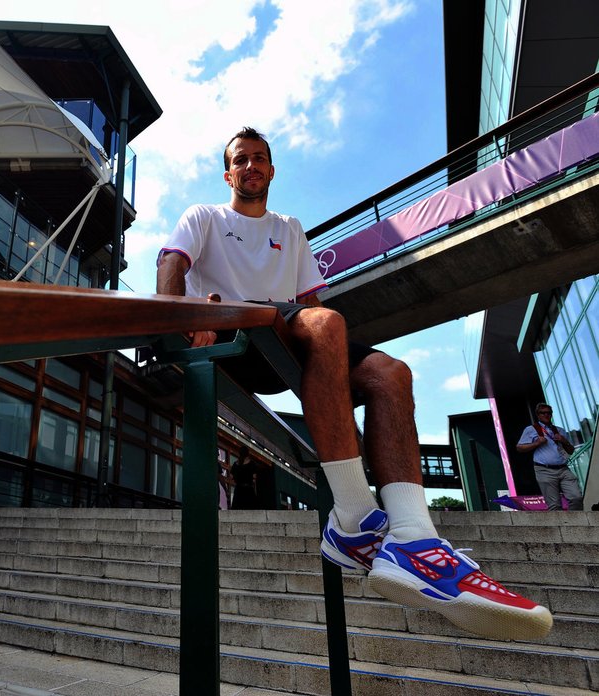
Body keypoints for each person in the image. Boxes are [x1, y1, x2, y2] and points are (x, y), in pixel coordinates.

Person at [156, 126, 553, 641]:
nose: (251, 166)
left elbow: (310, 306)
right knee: (324, 324)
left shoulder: (289, 226)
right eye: (241, 160)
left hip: (287, 332)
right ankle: (354, 515)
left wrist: (326, 366)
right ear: (227, 172)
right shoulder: (204, 216)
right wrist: (180, 312)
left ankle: (412, 536)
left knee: (391, 373)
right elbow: (172, 262)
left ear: (272, 170)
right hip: (232, 332)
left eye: (260, 158)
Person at [516, 403, 583, 511]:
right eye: (543, 413)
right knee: (554, 505)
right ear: (538, 415)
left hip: (563, 469)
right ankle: (563, 527)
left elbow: (570, 451)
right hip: (544, 470)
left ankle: (575, 523)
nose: (546, 415)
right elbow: (519, 448)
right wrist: (537, 443)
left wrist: (564, 441)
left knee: (577, 497)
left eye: (549, 413)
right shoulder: (531, 429)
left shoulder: (560, 430)